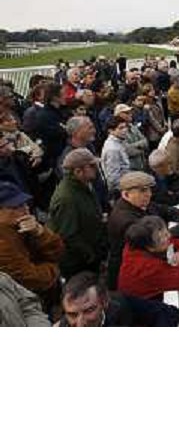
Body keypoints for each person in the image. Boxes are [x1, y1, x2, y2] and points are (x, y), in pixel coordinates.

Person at [106, 171, 179, 290]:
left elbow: (161, 209)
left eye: (149, 190)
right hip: (129, 277)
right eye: (142, 191)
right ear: (126, 194)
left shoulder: (138, 203)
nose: (149, 194)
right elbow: (156, 239)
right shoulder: (124, 219)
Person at [0, 181, 64, 308]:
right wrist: (53, 270)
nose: (26, 209)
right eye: (16, 207)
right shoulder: (2, 241)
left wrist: (40, 232)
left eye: (24, 203)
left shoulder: (21, 227)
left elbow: (58, 251)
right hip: (21, 305)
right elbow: (30, 278)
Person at [47, 149, 107, 280]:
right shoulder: (66, 198)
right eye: (91, 166)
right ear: (78, 171)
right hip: (78, 263)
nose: (96, 168)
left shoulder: (84, 186)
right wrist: (91, 256)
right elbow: (68, 235)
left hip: (89, 255)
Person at [118, 215, 179, 300]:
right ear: (150, 248)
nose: (169, 236)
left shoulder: (136, 242)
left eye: (167, 232)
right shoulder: (148, 269)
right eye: (163, 238)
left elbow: (178, 241)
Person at [56, 271, 179, 327]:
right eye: (72, 314)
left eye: (89, 310)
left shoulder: (120, 303)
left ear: (104, 302)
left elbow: (166, 312)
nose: (80, 323)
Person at [101, 116, 131, 195]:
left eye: (125, 127)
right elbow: (113, 178)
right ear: (111, 131)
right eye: (121, 128)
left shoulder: (119, 142)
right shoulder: (112, 149)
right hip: (120, 190)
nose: (125, 130)